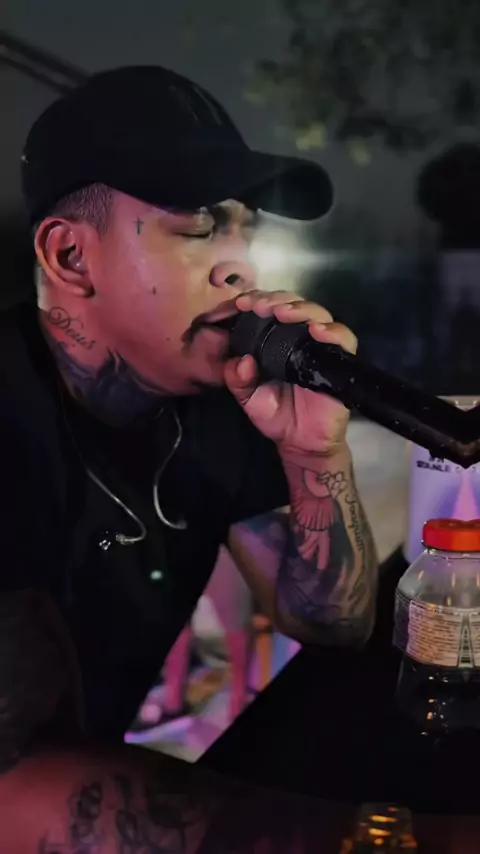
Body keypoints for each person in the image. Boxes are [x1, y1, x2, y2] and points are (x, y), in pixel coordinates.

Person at [1, 64, 378, 771]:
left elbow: (328, 623)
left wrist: (314, 454)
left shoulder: (225, 401)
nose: (240, 267)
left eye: (245, 231)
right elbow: (20, 777)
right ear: (70, 255)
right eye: (200, 226)